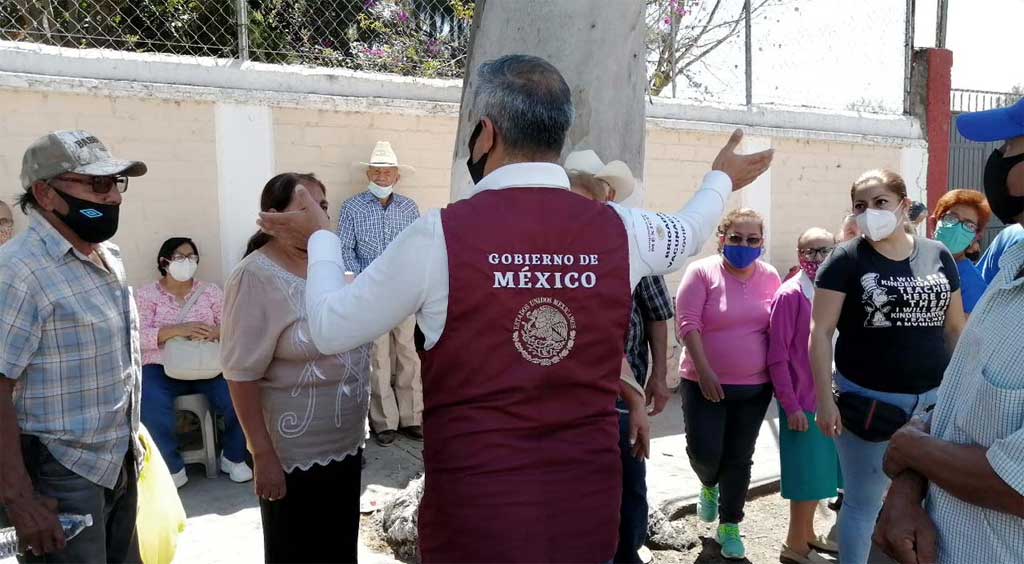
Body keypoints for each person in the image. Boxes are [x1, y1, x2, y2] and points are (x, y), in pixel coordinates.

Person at [256, 54, 773, 563]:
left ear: (486, 133)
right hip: (585, 510)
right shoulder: (624, 228)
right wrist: (720, 177)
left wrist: (322, 238)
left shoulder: (438, 235)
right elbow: (692, 228)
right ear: (559, 134)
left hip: (478, 518)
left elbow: (328, 327)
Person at [872, 92, 1024, 564]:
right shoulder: (1014, 262)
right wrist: (908, 486)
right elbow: (956, 402)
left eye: (1010, 146)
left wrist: (910, 447)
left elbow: (1015, 484)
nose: (996, 159)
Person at [0, 130, 147, 562]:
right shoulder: (18, 272)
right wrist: (19, 499)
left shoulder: (109, 256)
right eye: (97, 184)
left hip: (118, 463)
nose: (113, 198)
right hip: (59, 475)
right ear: (45, 194)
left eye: (115, 183)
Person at [809, 169, 966, 564]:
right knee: (862, 504)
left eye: (880, 202)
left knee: (931, 503)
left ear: (902, 204)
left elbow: (955, 328)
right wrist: (825, 400)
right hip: (869, 402)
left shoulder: (938, 254)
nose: (870, 213)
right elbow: (821, 332)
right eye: (860, 206)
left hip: (934, 403)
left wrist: (964, 390)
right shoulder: (844, 260)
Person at [221, 173, 372, 564]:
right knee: (297, 552)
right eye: (306, 207)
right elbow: (240, 373)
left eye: (322, 207)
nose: (318, 217)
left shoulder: (332, 265)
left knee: (339, 550)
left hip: (345, 445)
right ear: (273, 218)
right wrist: (262, 455)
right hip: (292, 456)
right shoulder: (254, 277)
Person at [565, 150, 673, 564]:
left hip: (620, 393)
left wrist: (657, 380)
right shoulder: (550, 244)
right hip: (569, 395)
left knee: (628, 479)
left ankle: (628, 551)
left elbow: (659, 315)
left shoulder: (634, 244)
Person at [675, 207, 781, 560]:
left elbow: (777, 330)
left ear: (761, 243)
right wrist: (705, 372)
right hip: (703, 383)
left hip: (754, 388)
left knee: (740, 456)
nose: (743, 245)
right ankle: (708, 484)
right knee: (705, 452)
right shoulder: (702, 272)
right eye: (735, 238)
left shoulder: (769, 276)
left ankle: (730, 524)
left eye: (752, 239)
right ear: (721, 238)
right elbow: (688, 323)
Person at [135, 237, 251, 488]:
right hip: (161, 366)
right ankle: (172, 467)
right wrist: (176, 330)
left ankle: (233, 456)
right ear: (163, 262)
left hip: (207, 364)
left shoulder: (210, 292)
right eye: (180, 257)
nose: (187, 262)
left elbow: (233, 326)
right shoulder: (146, 295)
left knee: (239, 395)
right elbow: (137, 337)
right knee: (151, 403)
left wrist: (215, 332)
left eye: (192, 257)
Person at [338, 141, 422, 446]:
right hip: (370, 293)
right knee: (377, 356)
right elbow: (346, 250)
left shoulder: (409, 208)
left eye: (388, 172)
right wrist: (357, 287)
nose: (382, 178)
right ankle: (384, 421)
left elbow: (418, 248)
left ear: (397, 177)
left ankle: (412, 417)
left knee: (407, 354)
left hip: (404, 292)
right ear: (368, 175)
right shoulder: (351, 208)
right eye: (377, 172)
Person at [767, 227, 840, 564]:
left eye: (824, 250)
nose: (816, 259)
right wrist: (791, 405)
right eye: (809, 252)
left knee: (819, 476)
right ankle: (794, 547)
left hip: (829, 399)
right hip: (803, 403)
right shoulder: (789, 295)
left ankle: (808, 538)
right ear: (798, 255)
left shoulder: (834, 292)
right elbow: (778, 357)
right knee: (805, 479)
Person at [928, 189, 992, 315]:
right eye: (951, 218)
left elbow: (963, 331)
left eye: (969, 225)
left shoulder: (971, 282)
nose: (957, 229)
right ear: (934, 223)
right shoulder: (916, 261)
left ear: (975, 238)